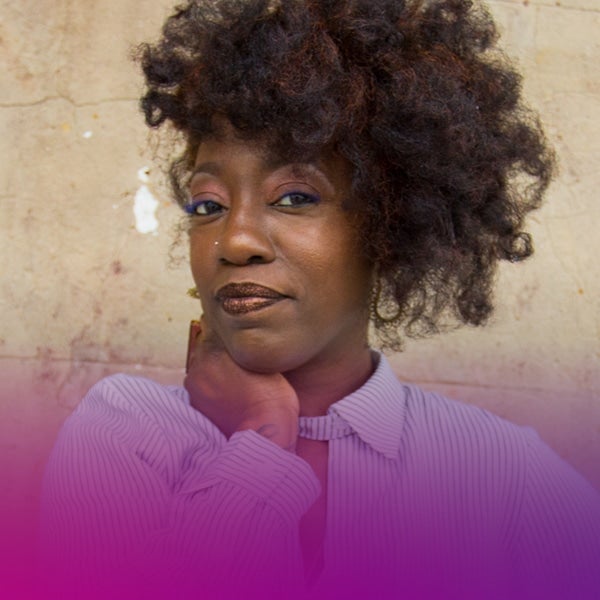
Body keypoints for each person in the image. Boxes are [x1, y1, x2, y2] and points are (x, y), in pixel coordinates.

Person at [39, 0, 600, 598]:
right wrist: (261, 438)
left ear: (390, 227)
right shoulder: (126, 432)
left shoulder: (504, 474)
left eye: (296, 197)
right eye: (208, 205)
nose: (236, 240)